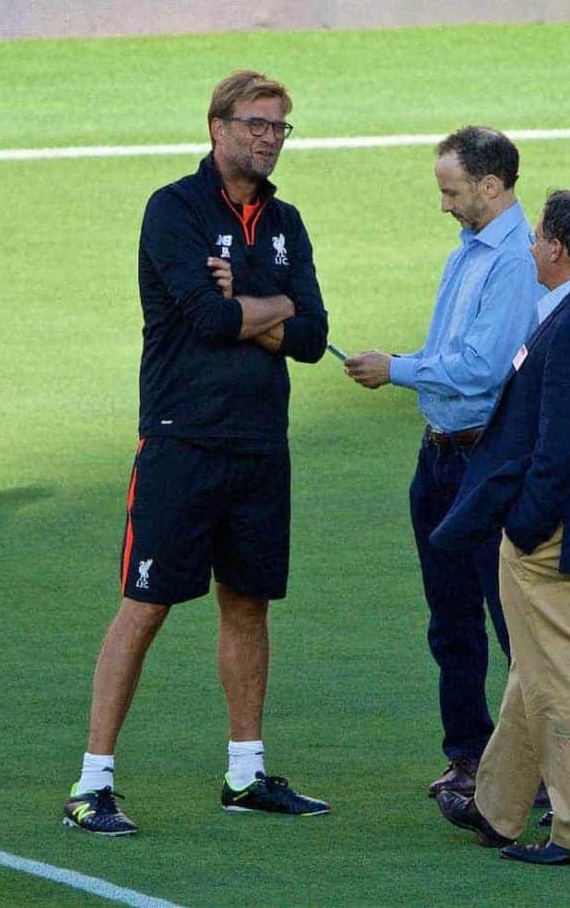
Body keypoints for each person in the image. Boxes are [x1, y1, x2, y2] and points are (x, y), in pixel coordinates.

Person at [62, 69, 330, 836]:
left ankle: (245, 772)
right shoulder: (173, 209)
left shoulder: (287, 222)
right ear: (217, 127)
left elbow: (311, 335)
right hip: (182, 442)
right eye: (256, 124)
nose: (269, 139)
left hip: (259, 446)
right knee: (144, 606)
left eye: (281, 127)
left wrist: (249, 295)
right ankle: (93, 783)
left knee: (248, 603)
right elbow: (208, 322)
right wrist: (266, 304)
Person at [431, 190, 570, 867]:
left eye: (536, 237)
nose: (531, 246)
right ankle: (498, 808)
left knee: (557, 678)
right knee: (535, 669)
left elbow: (560, 445)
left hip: (557, 530)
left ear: (557, 247)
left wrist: (527, 525)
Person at [343, 127, 543, 799]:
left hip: (482, 458)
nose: (445, 205)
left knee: (506, 615)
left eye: (451, 191)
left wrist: (394, 368)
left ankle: (533, 766)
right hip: (440, 455)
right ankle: (468, 754)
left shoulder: (515, 260)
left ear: (490, 187)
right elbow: (455, 351)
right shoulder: (468, 251)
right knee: (450, 616)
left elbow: (483, 367)